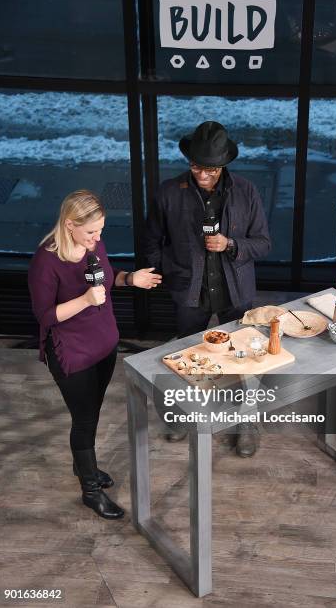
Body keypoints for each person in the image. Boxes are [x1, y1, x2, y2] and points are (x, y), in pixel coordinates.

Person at [28, 190, 162, 519]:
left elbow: (106, 280)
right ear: (69, 224)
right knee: (84, 420)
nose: (97, 238)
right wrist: (86, 301)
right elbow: (45, 317)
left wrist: (132, 279)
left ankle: (85, 466)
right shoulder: (45, 262)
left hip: (103, 343)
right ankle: (90, 490)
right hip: (72, 353)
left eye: (100, 231)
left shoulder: (93, 245)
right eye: (91, 232)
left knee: (92, 412)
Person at [145, 121, 271, 457]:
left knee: (244, 361)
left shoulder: (246, 192)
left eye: (211, 169)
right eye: (196, 166)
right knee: (188, 360)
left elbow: (263, 244)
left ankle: (247, 423)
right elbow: (152, 241)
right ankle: (184, 417)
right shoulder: (168, 192)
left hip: (235, 291)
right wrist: (167, 271)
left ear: (224, 165)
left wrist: (230, 244)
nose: (202, 174)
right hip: (189, 291)